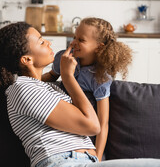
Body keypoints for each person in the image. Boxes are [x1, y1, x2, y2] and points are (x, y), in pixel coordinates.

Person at [0, 22, 160, 167]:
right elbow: (93, 126)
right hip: (63, 162)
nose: (48, 42)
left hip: (81, 162)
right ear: (26, 59)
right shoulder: (23, 89)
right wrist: (68, 76)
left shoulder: (44, 87)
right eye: (41, 41)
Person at [42, 17, 132, 161]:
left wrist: (98, 158)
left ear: (99, 47)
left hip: (83, 129)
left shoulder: (100, 77)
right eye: (74, 37)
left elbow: (103, 123)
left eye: (81, 40)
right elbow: (50, 76)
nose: (73, 42)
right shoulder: (64, 58)